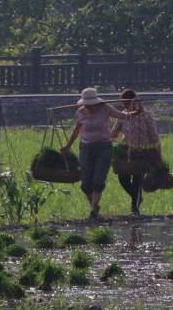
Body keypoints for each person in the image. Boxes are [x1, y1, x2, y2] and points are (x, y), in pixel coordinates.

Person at [63, 87, 132, 220]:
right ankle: (95, 208)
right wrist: (67, 146)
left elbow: (122, 116)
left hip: (103, 147)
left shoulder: (105, 108)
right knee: (85, 183)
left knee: (98, 179)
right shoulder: (80, 112)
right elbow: (77, 130)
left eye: (91, 104)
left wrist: (134, 110)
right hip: (86, 148)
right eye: (86, 104)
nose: (89, 107)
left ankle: (94, 209)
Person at [111, 88, 161, 216]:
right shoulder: (123, 115)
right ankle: (137, 197)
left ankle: (135, 208)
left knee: (137, 180)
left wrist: (157, 152)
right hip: (127, 152)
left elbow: (154, 136)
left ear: (135, 101)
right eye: (124, 104)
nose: (126, 106)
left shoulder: (145, 115)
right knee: (123, 178)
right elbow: (114, 133)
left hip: (142, 152)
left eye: (127, 103)